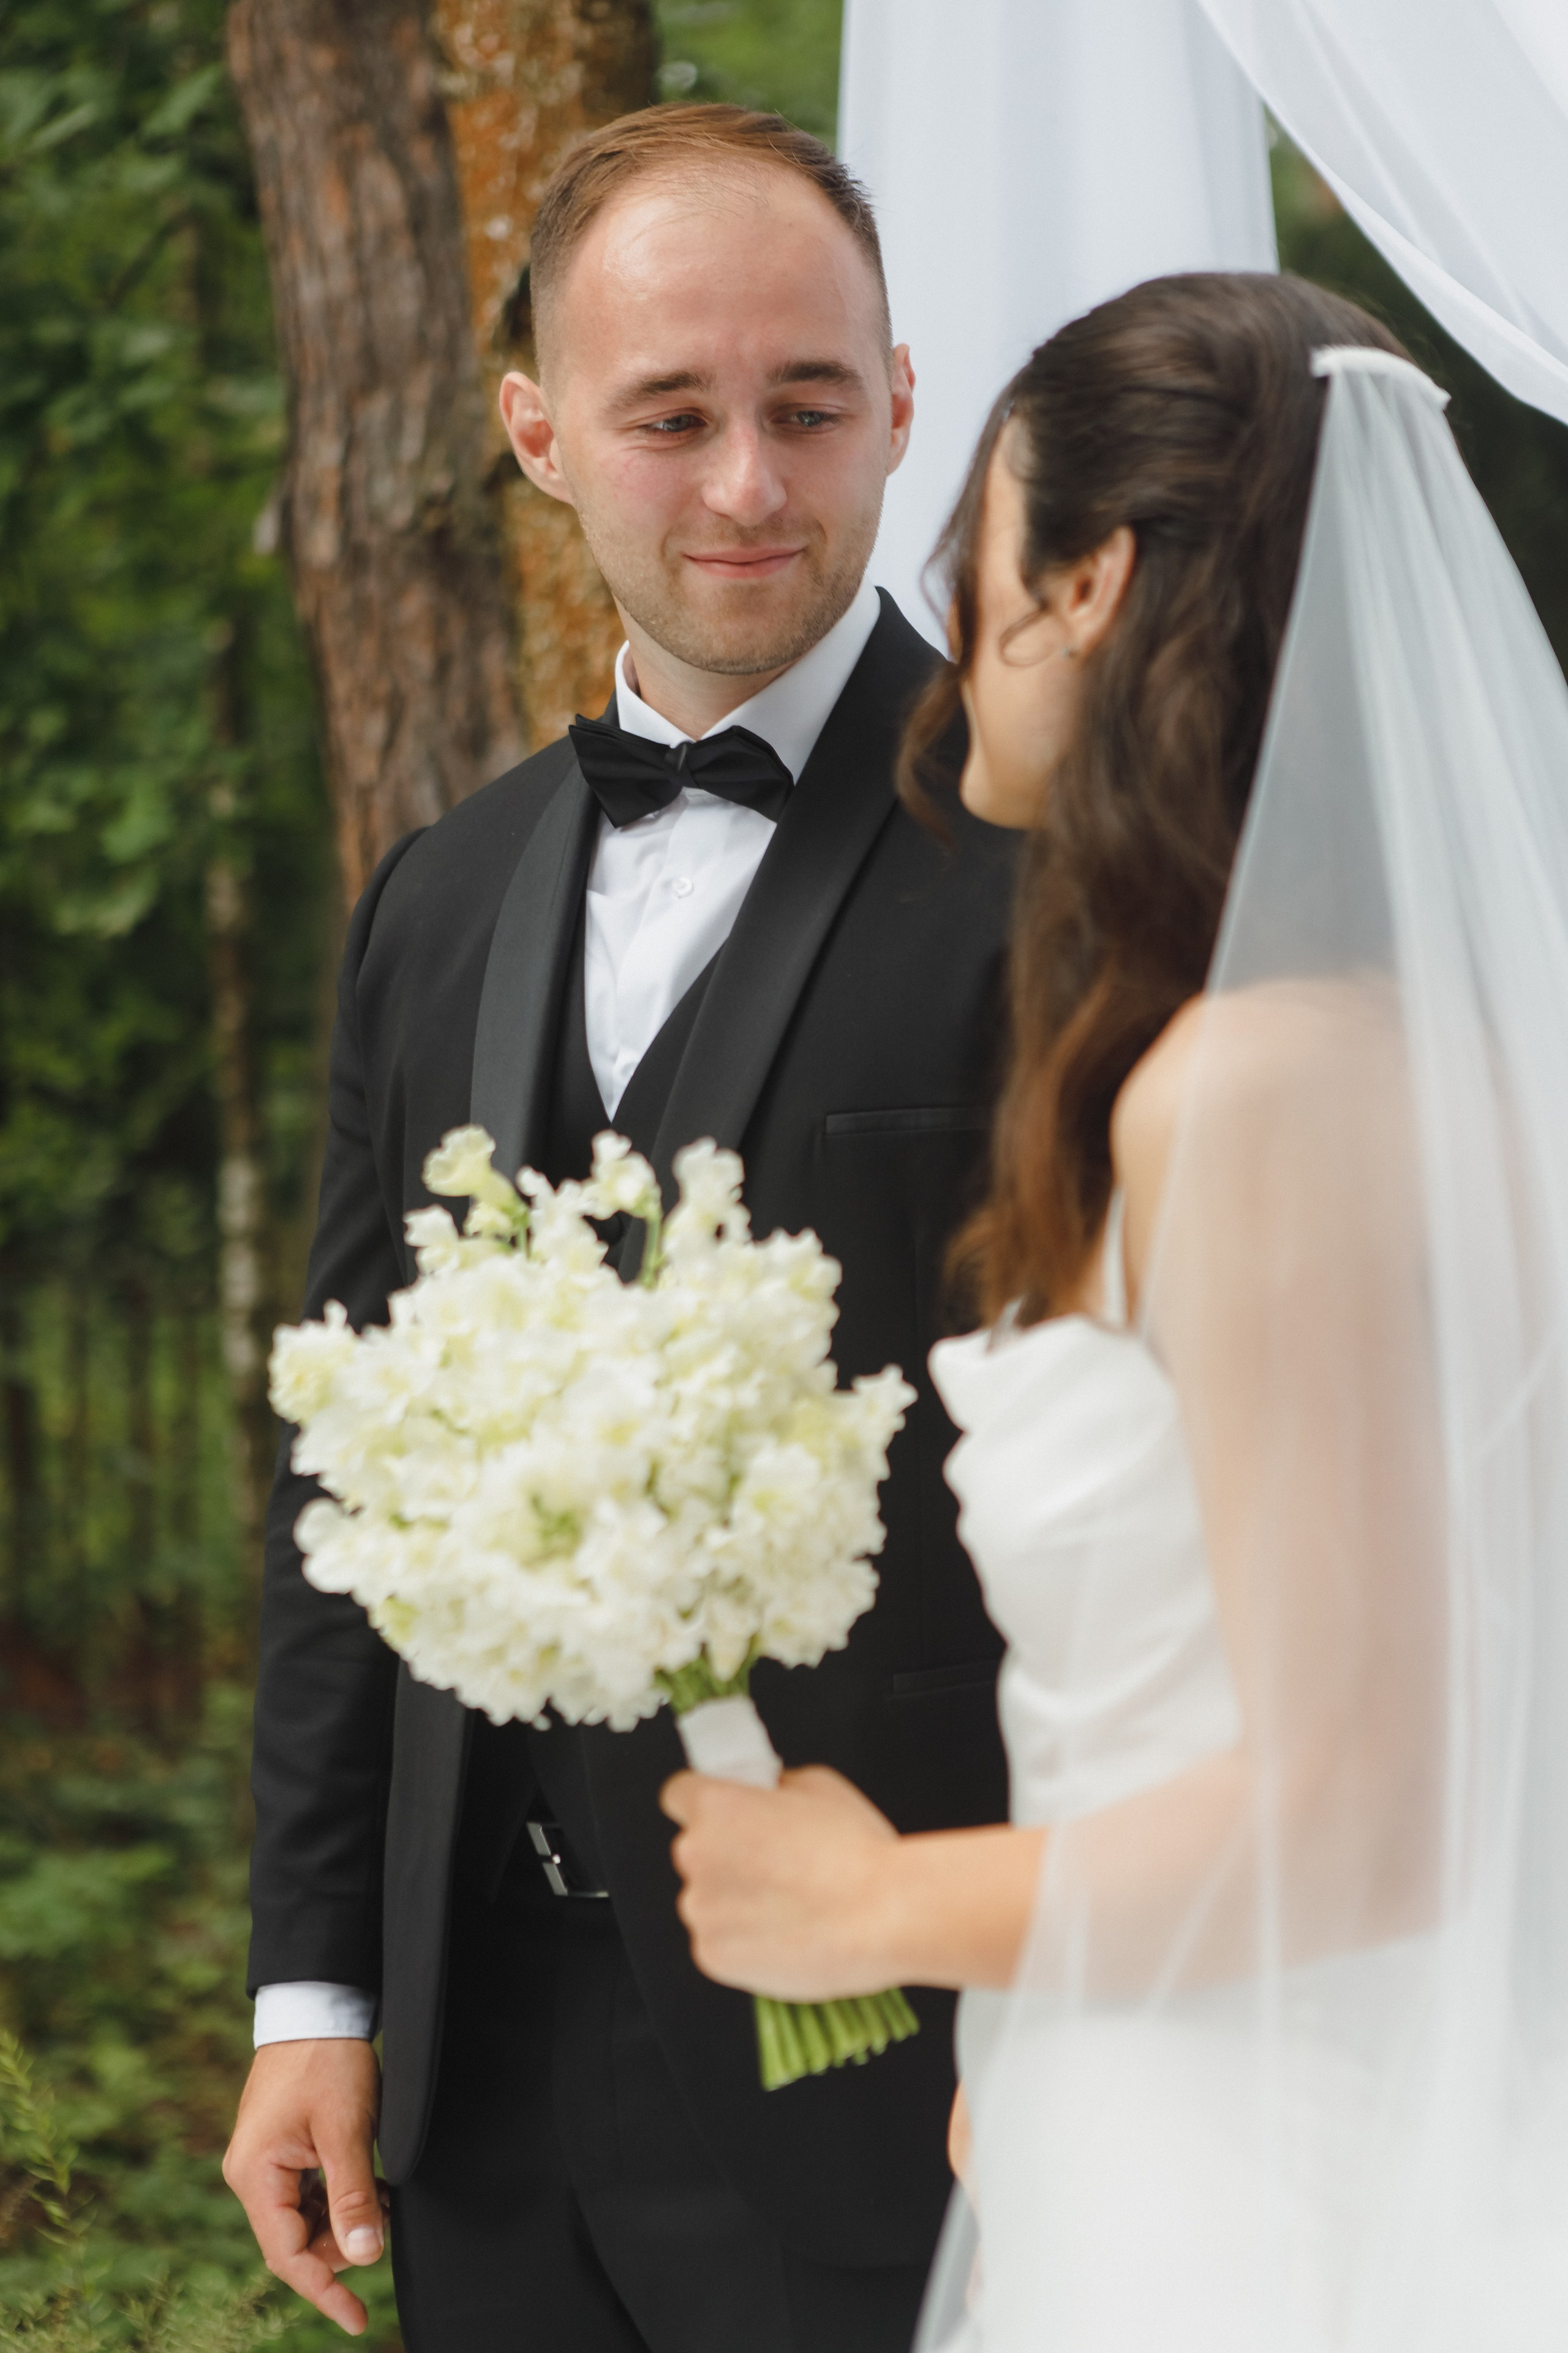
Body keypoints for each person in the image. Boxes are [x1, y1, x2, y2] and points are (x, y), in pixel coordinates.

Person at [665, 270, 1568, 2347]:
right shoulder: (1404, 1053)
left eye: (973, 542)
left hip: (1282, 2166)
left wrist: (877, 1900)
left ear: (1093, 582)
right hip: (1179, 2081)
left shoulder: (1258, 1089)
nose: (946, 615)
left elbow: (1365, 1811)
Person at [222, 104, 1015, 2353]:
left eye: (810, 406)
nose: (751, 483)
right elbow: (343, 1487)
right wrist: (316, 1988)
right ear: (538, 432)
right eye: (673, 417)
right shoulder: (437, 898)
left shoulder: (1054, 856)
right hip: (481, 2086)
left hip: (902, 2079)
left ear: (902, 406)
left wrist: (1063, 2011)